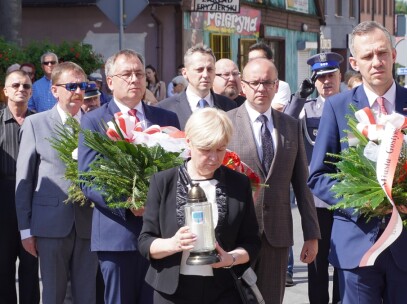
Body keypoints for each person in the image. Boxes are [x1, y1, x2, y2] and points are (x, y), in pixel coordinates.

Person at [308, 21, 407, 303]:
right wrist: (361, 200)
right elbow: (318, 175)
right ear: (355, 62)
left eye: (382, 53)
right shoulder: (337, 107)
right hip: (357, 246)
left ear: (393, 54)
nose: (376, 61)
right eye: (367, 56)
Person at [78, 49, 181, 304]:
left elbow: (180, 170)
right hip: (118, 236)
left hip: (161, 237)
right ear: (110, 81)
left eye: (139, 73)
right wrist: (129, 203)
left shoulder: (166, 118)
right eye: (127, 74)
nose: (134, 79)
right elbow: (89, 179)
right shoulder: (94, 121)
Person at [138, 108, 261, 303]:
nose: (214, 158)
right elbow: (145, 242)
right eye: (205, 149)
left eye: (221, 149)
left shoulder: (239, 183)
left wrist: (231, 258)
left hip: (224, 289)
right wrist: (173, 244)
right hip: (172, 292)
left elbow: (252, 242)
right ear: (189, 143)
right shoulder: (163, 181)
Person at [227, 57, 320, 304]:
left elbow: (302, 184)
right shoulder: (225, 123)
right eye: (255, 82)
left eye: (267, 82)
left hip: (276, 237)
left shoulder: (290, 126)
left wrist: (312, 234)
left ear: (277, 86)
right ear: (243, 86)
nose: (261, 88)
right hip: (235, 236)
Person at [16, 62, 98, 304]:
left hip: (89, 225)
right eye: (71, 86)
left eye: (83, 86)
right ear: (54, 90)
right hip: (50, 225)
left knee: (87, 295)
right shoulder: (35, 123)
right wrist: (25, 229)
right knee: (52, 296)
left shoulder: (96, 124)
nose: (78, 91)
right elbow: (24, 180)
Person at [285, 52, 344, 304]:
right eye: (320, 78)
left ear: (341, 76)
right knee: (317, 263)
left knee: (345, 260)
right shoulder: (307, 109)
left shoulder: (351, 106)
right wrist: (300, 97)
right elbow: (284, 124)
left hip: (346, 195)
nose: (326, 82)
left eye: (331, 75)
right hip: (317, 199)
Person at [0, 70, 40, 304]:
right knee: (3, 267)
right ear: (5, 91)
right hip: (3, 201)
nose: (21, 89)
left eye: (26, 86)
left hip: (34, 202)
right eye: (15, 85)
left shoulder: (40, 122)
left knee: (30, 265)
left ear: (31, 92)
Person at [157, 45, 237, 130]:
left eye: (210, 69)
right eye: (199, 69)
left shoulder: (230, 106)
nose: (205, 75)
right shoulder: (165, 108)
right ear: (184, 73)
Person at [248, 42, 291, 112]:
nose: (254, 63)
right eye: (251, 60)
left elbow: (278, 107)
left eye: (259, 60)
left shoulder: (281, 85)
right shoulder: (244, 83)